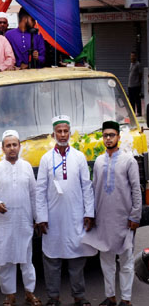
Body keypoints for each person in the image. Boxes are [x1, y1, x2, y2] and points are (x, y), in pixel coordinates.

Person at [36, 115, 95, 306]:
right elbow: (40, 190)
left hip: (75, 216)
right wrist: (41, 217)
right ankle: (53, 297)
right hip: (52, 218)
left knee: (77, 258)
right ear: (53, 134)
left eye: (65, 131)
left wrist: (89, 213)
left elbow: (87, 186)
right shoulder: (46, 159)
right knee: (52, 259)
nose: (62, 135)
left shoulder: (79, 157)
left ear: (70, 133)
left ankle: (79, 296)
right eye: (59, 131)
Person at [81, 121, 142, 306]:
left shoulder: (128, 160)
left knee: (125, 260)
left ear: (118, 137)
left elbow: (136, 190)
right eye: (105, 135)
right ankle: (110, 297)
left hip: (124, 220)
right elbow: (93, 189)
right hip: (104, 220)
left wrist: (135, 215)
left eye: (112, 135)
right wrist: (91, 215)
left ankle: (126, 299)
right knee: (106, 260)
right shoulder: (99, 161)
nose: (108, 138)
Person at [0, 130, 41, 306]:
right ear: (3, 148)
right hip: (5, 222)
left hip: (24, 221)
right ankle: (10, 295)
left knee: (26, 259)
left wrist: (37, 218)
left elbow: (34, 194)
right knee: (5, 259)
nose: (12, 148)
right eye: (8, 145)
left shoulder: (27, 167)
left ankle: (30, 293)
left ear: (19, 146)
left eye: (14, 144)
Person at [128, 52, 142, 116]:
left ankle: (139, 112)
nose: (132, 57)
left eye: (133, 56)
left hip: (136, 85)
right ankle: (132, 112)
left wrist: (138, 82)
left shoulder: (138, 64)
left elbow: (140, 74)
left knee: (137, 100)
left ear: (135, 57)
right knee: (131, 100)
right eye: (131, 56)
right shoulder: (131, 64)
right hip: (130, 85)